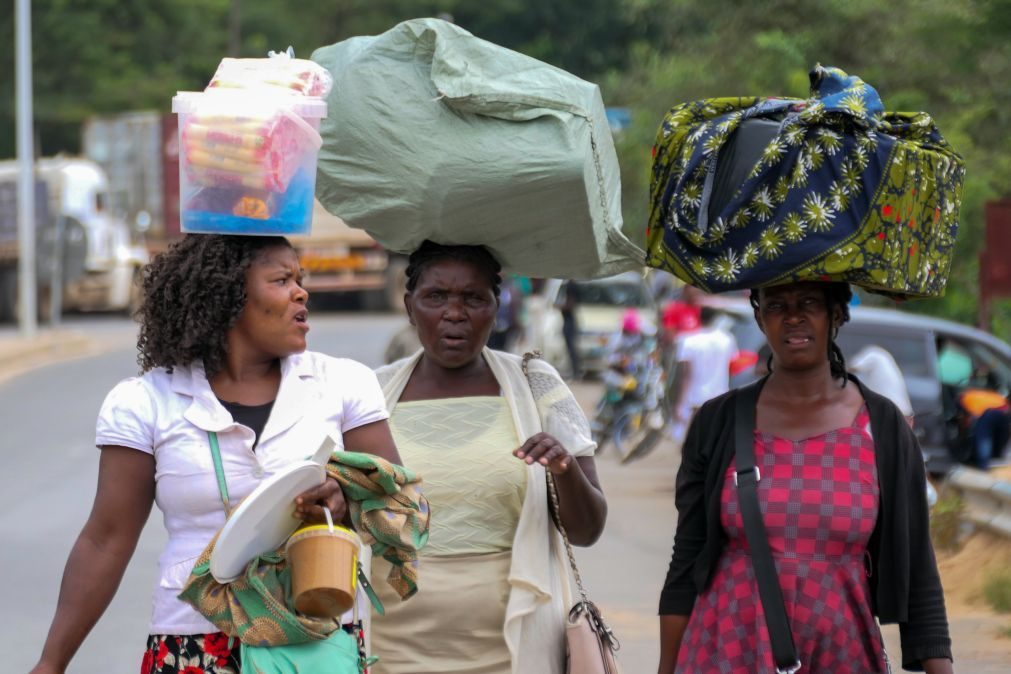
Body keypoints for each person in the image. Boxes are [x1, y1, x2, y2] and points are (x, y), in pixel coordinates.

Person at [29, 234, 403, 674]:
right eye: (282, 280)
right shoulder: (147, 401)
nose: (302, 292)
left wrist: (346, 498)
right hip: (192, 644)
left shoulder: (342, 385)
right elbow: (105, 539)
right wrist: (51, 663)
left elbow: (398, 507)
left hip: (315, 639)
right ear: (226, 295)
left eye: (299, 279)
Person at [658, 281, 952, 674]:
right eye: (776, 304)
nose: (793, 316)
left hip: (841, 652)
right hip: (727, 651)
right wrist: (667, 667)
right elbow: (686, 561)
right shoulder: (718, 422)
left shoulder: (883, 427)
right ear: (760, 317)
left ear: (836, 314)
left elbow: (919, 573)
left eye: (809, 303)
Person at [370, 241, 608, 674]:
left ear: (497, 306)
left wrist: (564, 468)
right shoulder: (371, 393)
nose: (454, 313)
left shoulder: (535, 385)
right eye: (436, 297)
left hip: (514, 645)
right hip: (391, 647)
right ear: (409, 305)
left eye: (473, 298)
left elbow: (588, 530)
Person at [669, 305, 738, 428]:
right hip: (720, 395)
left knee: (697, 437)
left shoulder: (689, 340)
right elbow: (731, 366)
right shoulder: (727, 339)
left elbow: (685, 375)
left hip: (697, 397)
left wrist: (680, 403)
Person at [558, 279, 583, 379]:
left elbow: (570, 304)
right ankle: (575, 370)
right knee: (570, 348)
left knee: (571, 347)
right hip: (568, 320)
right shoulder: (571, 284)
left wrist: (559, 307)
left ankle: (576, 371)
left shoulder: (571, 286)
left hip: (569, 321)